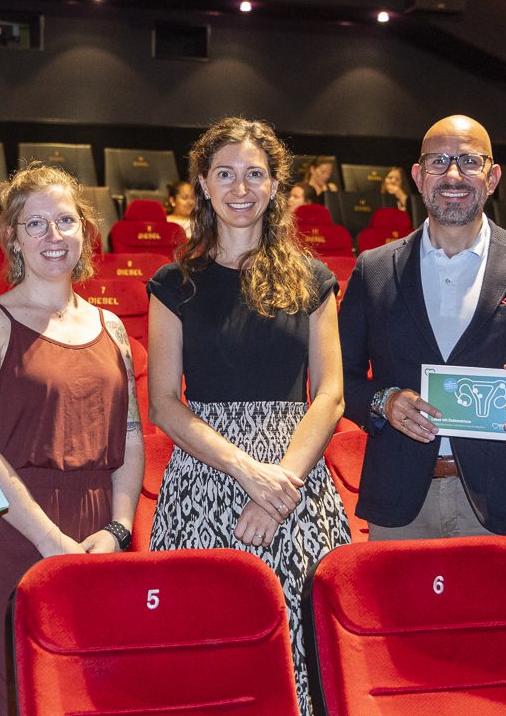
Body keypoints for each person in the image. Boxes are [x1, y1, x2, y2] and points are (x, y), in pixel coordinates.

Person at [147, 117, 349, 716]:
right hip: (206, 479)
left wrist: (274, 487)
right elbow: (163, 402)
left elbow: (330, 395)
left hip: (295, 480)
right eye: (225, 174)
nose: (241, 188)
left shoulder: (313, 279)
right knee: (207, 643)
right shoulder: (173, 282)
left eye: (254, 174)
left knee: (300, 648)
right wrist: (247, 473)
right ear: (203, 186)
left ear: (274, 185)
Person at [339, 114, 506, 549]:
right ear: (418, 176)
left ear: (492, 178)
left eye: (469, 161)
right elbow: (338, 377)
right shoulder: (374, 269)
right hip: (399, 504)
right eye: (438, 162)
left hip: (504, 500)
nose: (453, 174)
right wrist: (384, 401)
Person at [0, 162, 143, 716]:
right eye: (34, 225)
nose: (51, 237)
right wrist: (50, 542)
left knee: (91, 689)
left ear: (84, 229)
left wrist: (118, 527)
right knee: (16, 689)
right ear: (12, 237)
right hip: (11, 525)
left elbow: (129, 438)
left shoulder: (111, 328)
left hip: (97, 527)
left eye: (63, 221)